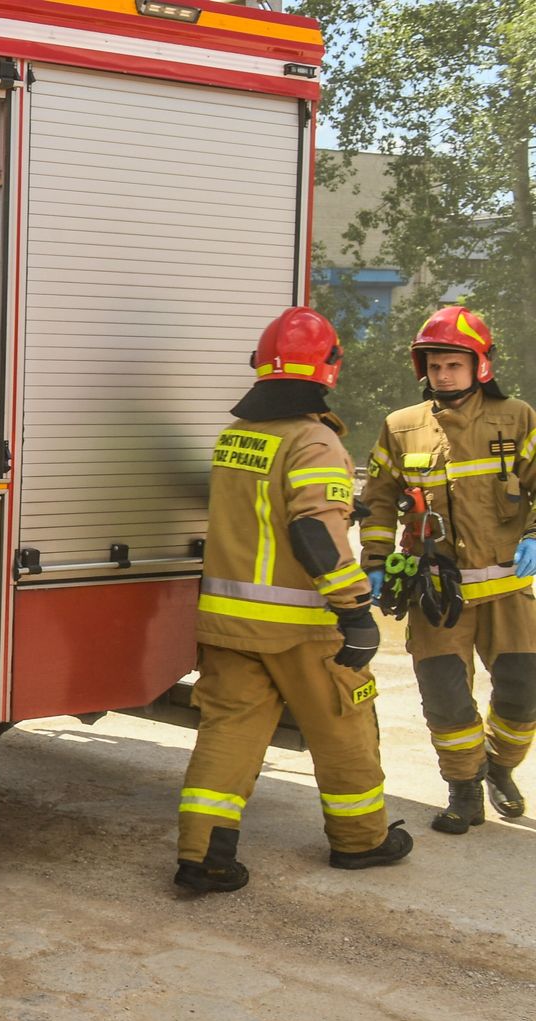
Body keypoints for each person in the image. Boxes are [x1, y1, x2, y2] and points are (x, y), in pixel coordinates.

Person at [174, 306, 410, 894]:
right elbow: (310, 531)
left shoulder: (237, 437)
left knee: (228, 733)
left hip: (228, 622)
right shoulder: (316, 440)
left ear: (261, 368)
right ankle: (363, 841)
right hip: (300, 628)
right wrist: (355, 610)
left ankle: (203, 857)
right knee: (343, 724)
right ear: (328, 369)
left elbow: (263, 517)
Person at [360, 306, 536, 833]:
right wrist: (374, 564)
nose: (442, 375)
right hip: (434, 593)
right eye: (434, 365)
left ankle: (499, 768)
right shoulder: (401, 427)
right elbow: (379, 501)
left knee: (524, 692)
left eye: (454, 364)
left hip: (507, 588)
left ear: (479, 365)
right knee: (445, 696)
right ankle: (463, 790)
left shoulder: (519, 417)